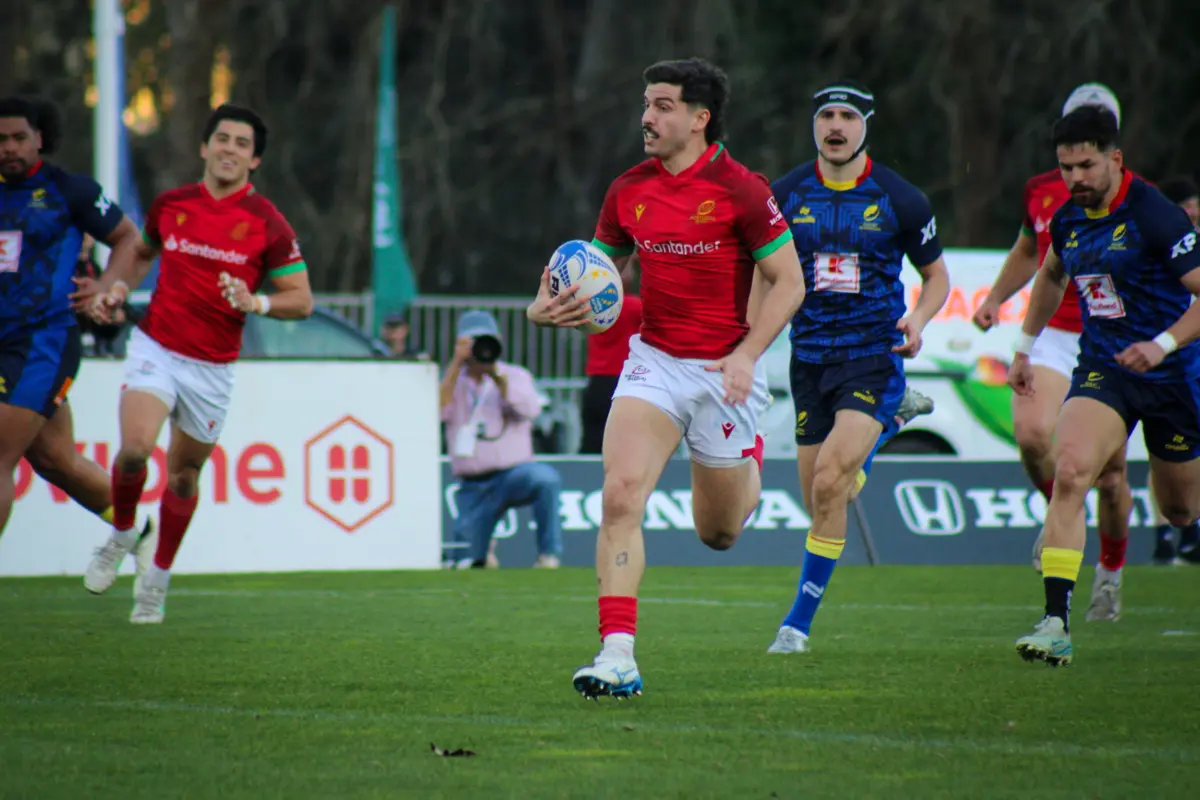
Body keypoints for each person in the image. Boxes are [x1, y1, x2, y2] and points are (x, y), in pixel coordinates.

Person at [528, 58, 805, 700]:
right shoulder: (628, 189)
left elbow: (790, 281)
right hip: (652, 361)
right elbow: (598, 276)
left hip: (723, 371)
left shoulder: (741, 190)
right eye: (646, 104)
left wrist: (746, 355)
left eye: (662, 106)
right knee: (620, 495)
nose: (647, 117)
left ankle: (749, 457)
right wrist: (543, 309)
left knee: (720, 533)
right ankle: (616, 654)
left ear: (699, 118)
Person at [80, 103, 314, 624]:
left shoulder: (267, 223)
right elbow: (142, 253)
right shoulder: (171, 205)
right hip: (156, 347)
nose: (230, 149)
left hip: (211, 367)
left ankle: (157, 576)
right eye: (223, 139)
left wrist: (257, 303)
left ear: (254, 162)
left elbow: (301, 299)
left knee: (184, 476)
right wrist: (118, 286)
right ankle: (121, 534)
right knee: (135, 451)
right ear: (204, 147)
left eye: (242, 144)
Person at [764, 80, 950, 655]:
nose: (835, 126)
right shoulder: (785, 194)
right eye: (826, 116)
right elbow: (763, 273)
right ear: (813, 124)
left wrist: (916, 320)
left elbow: (937, 278)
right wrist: (748, 343)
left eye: (847, 115)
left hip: (872, 355)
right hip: (810, 358)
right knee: (819, 495)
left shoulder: (902, 198)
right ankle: (893, 421)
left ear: (866, 123)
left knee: (828, 482)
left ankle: (796, 625)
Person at [1009, 105, 1200, 666]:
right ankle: (1054, 623)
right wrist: (1024, 346)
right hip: (1105, 368)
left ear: (1115, 159)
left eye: (1086, 166)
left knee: (1182, 510)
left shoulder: (1156, 215)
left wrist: (1162, 345)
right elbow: (1050, 275)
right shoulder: (1069, 219)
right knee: (1069, 472)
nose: (1075, 179)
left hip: (1171, 376)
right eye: (1066, 168)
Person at [973, 83, 1134, 620]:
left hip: (1111, 338)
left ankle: (1109, 574)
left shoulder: (1141, 200)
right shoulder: (1041, 191)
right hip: (1053, 335)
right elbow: (1030, 251)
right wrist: (996, 297)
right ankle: (1060, 519)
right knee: (1031, 435)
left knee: (1111, 479)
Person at [0, 95, 151, 548]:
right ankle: (141, 535)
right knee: (55, 460)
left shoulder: (70, 191)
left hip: (41, 343)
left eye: (19, 138)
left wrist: (107, 285)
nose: (9, 147)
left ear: (40, 138)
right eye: (0, 139)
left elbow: (130, 239)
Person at [440, 309, 564, 569]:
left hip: (514, 475)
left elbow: (529, 411)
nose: (480, 349)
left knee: (545, 479)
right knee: (467, 561)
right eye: (473, 343)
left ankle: (548, 556)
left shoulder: (515, 375)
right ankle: (484, 553)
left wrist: (499, 380)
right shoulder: (453, 381)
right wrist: (455, 364)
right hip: (473, 485)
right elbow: (436, 412)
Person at [1148, 174, 1200, 563]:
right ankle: (1166, 532)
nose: (1192, 210)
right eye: (1185, 204)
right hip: (1175, 359)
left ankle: (1187, 531)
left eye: (1195, 202)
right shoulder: (1162, 242)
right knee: (1163, 452)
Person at [579, 268, 643, 454]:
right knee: (626, 447)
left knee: (591, 444)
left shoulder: (591, 306)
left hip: (595, 382)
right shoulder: (633, 306)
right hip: (622, 383)